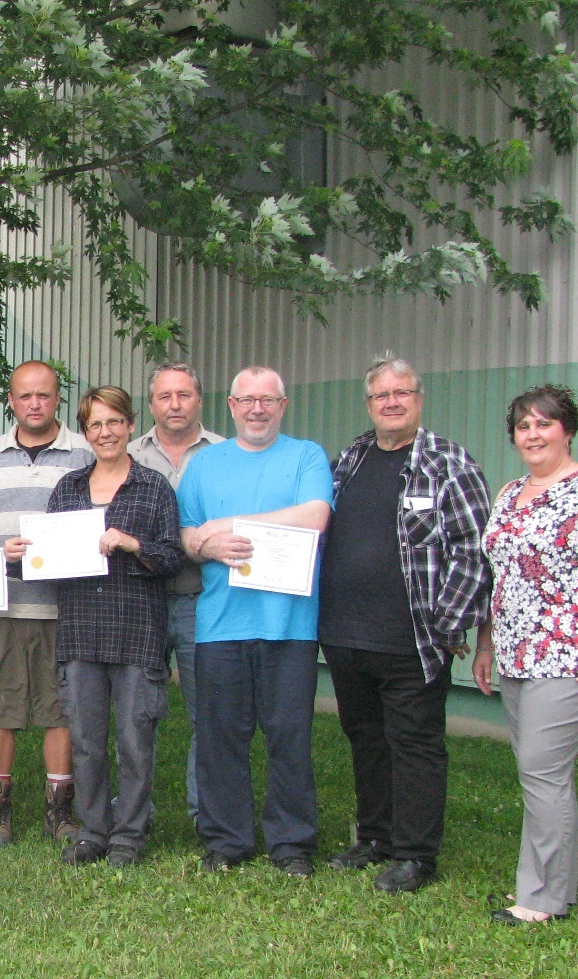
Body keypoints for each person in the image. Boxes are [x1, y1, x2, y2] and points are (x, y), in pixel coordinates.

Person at [318, 355, 491, 893]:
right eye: (380, 396)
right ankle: (374, 837)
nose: (391, 403)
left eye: (402, 393)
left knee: (414, 745)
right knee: (365, 738)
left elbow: (473, 549)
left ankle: (417, 856)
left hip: (413, 639)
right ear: (369, 404)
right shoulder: (351, 458)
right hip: (346, 633)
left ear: (419, 398)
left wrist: (448, 622)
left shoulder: (447, 463)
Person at [473, 385, 578, 925]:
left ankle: (539, 900)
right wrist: (485, 643)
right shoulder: (510, 492)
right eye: (523, 426)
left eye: (544, 424)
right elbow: (498, 575)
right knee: (546, 773)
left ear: (566, 430)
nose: (533, 434)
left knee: (540, 769)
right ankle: (557, 892)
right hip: (517, 654)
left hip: (572, 653)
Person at [6, 387, 183, 866]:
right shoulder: (69, 489)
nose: (105, 432)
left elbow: (172, 557)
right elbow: (44, 561)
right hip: (81, 633)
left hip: (136, 633)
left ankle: (128, 836)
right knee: (85, 743)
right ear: (85, 433)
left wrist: (130, 542)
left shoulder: (154, 488)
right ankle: (92, 832)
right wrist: (18, 559)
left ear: (129, 426)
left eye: (113, 422)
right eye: (94, 425)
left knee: (133, 741)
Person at [178, 366, 333, 878]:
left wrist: (233, 527)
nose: (257, 409)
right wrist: (206, 541)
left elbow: (315, 516)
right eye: (247, 400)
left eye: (268, 400)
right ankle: (227, 840)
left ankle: (291, 844)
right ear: (231, 405)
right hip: (221, 624)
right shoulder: (205, 466)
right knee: (221, 737)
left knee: (289, 737)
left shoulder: (305, 456)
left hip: (289, 625)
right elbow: (185, 535)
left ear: (283, 406)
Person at [0, 361, 93, 847]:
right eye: (24, 396)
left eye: (44, 395)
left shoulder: (84, 452)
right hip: (1, 605)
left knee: (62, 710)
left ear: (58, 398)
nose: (34, 403)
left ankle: (60, 812)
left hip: (67, 605)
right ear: (10, 401)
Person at [127, 362, 224, 825]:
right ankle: (133, 811)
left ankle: (205, 812)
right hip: (138, 602)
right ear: (151, 405)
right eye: (164, 396)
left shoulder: (227, 454)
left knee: (207, 712)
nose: (175, 404)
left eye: (183, 395)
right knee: (136, 714)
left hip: (201, 601)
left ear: (199, 400)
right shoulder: (125, 455)